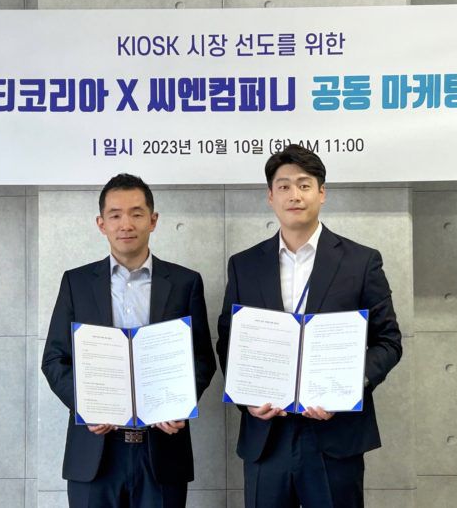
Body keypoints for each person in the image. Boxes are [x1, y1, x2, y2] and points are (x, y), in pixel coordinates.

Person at [217, 144, 402, 508]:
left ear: (322, 193)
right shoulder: (244, 265)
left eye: (304, 185)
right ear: (270, 196)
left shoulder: (361, 261)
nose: (295, 195)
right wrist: (246, 398)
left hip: (335, 435)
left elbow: (388, 342)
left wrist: (346, 388)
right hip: (267, 435)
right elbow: (229, 342)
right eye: (284, 186)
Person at [42, 173, 216, 508]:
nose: (126, 224)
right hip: (94, 453)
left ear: (153, 220)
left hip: (161, 450)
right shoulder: (77, 283)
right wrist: (86, 406)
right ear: (101, 224)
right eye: (115, 215)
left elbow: (202, 359)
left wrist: (178, 403)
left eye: (136, 214)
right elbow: (54, 359)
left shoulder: (185, 282)